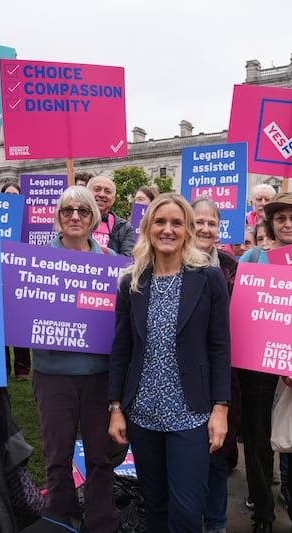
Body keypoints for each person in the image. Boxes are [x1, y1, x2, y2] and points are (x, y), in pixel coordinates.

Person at [108, 193, 231, 532]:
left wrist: (220, 409)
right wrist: (116, 407)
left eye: (176, 223)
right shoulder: (131, 281)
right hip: (142, 412)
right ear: (147, 228)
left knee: (188, 510)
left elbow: (220, 347)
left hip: (191, 413)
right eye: (160, 222)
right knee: (155, 504)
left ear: (188, 230)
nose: (167, 230)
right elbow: (121, 349)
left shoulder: (208, 278)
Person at [32, 186, 117, 532]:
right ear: (58, 217)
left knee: (100, 453)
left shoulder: (112, 262)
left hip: (98, 374)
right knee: (57, 452)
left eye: (83, 211)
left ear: (94, 219)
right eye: (67, 210)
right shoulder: (35, 261)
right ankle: (60, 515)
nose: (75, 217)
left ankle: (100, 521)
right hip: (53, 374)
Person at [238, 192, 292, 533]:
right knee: (257, 441)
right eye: (281, 218)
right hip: (258, 364)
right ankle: (263, 515)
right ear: (271, 223)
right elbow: (241, 311)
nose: (287, 224)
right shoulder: (253, 258)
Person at [191, 196, 241, 533]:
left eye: (212, 223)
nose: (206, 228)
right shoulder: (170, 262)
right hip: (185, 375)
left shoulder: (230, 266)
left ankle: (217, 523)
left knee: (216, 452)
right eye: (199, 222)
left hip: (223, 371)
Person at [0, 181, 32, 380]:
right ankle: (3, 369)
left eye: (15, 194)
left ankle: (22, 370)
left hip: (19, 276)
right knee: (0, 329)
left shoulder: (25, 220)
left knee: (20, 325)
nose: (11, 197)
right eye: (7, 194)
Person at [87, 175, 135, 256]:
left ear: (113, 200)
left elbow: (129, 260)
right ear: (86, 193)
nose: (102, 194)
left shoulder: (124, 228)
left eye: (107, 191)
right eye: (97, 189)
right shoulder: (74, 222)